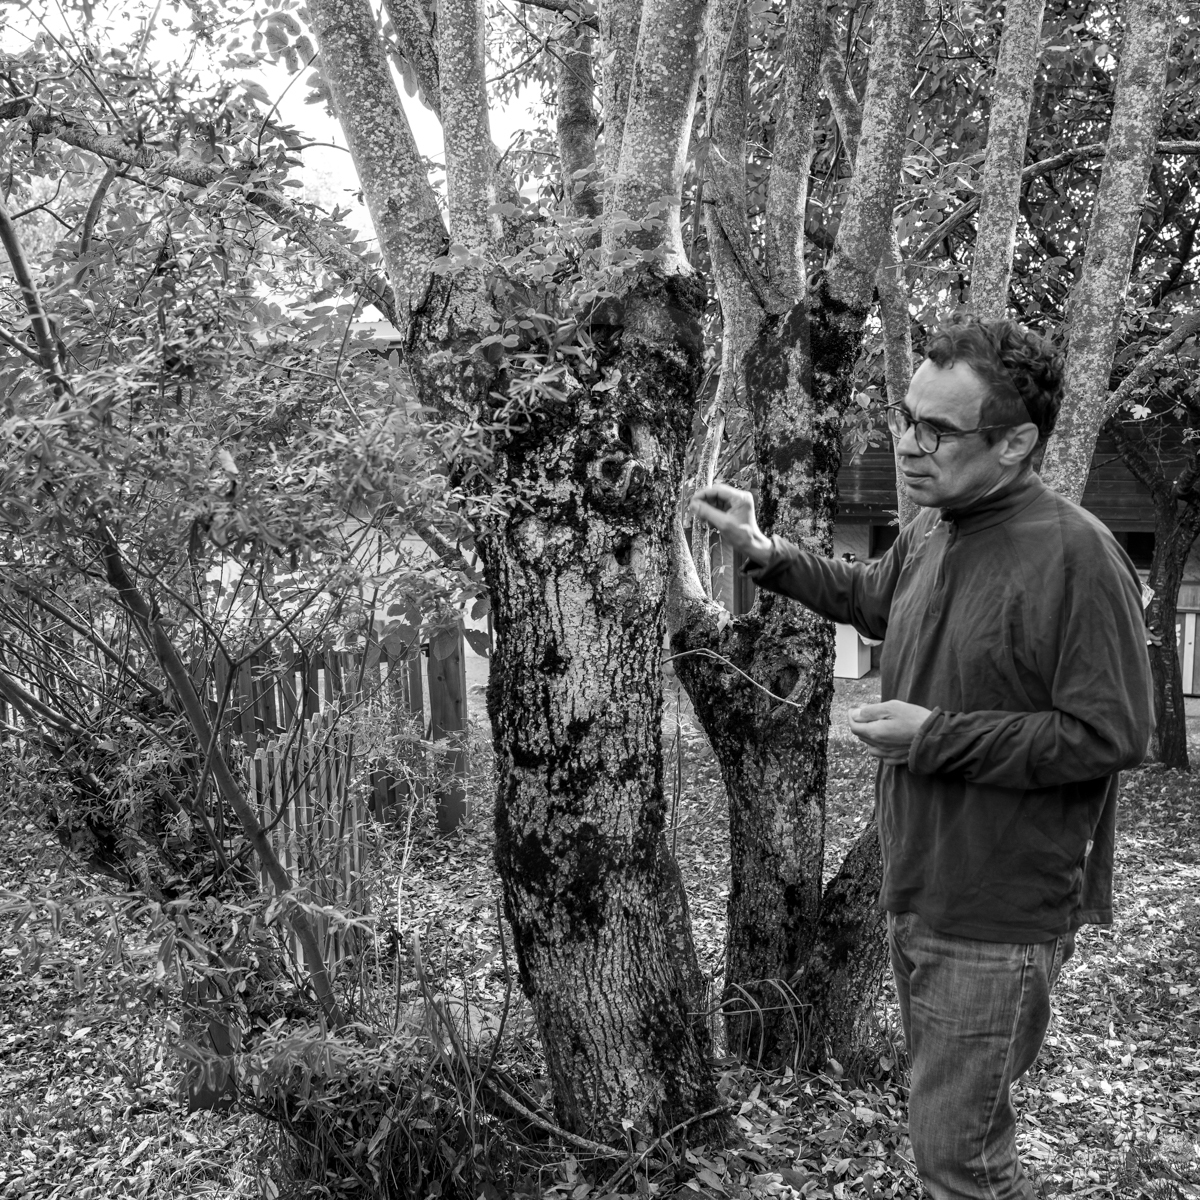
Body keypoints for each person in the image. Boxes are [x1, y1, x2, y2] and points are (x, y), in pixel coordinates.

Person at [690, 316, 1154, 1200]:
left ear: (1016, 442)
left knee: (961, 1164)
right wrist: (764, 552)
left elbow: (1108, 735)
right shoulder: (936, 530)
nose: (907, 445)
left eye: (938, 430)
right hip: (920, 884)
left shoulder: (1079, 556)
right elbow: (873, 597)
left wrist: (933, 736)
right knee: (955, 1152)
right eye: (907, 418)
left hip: (999, 910)